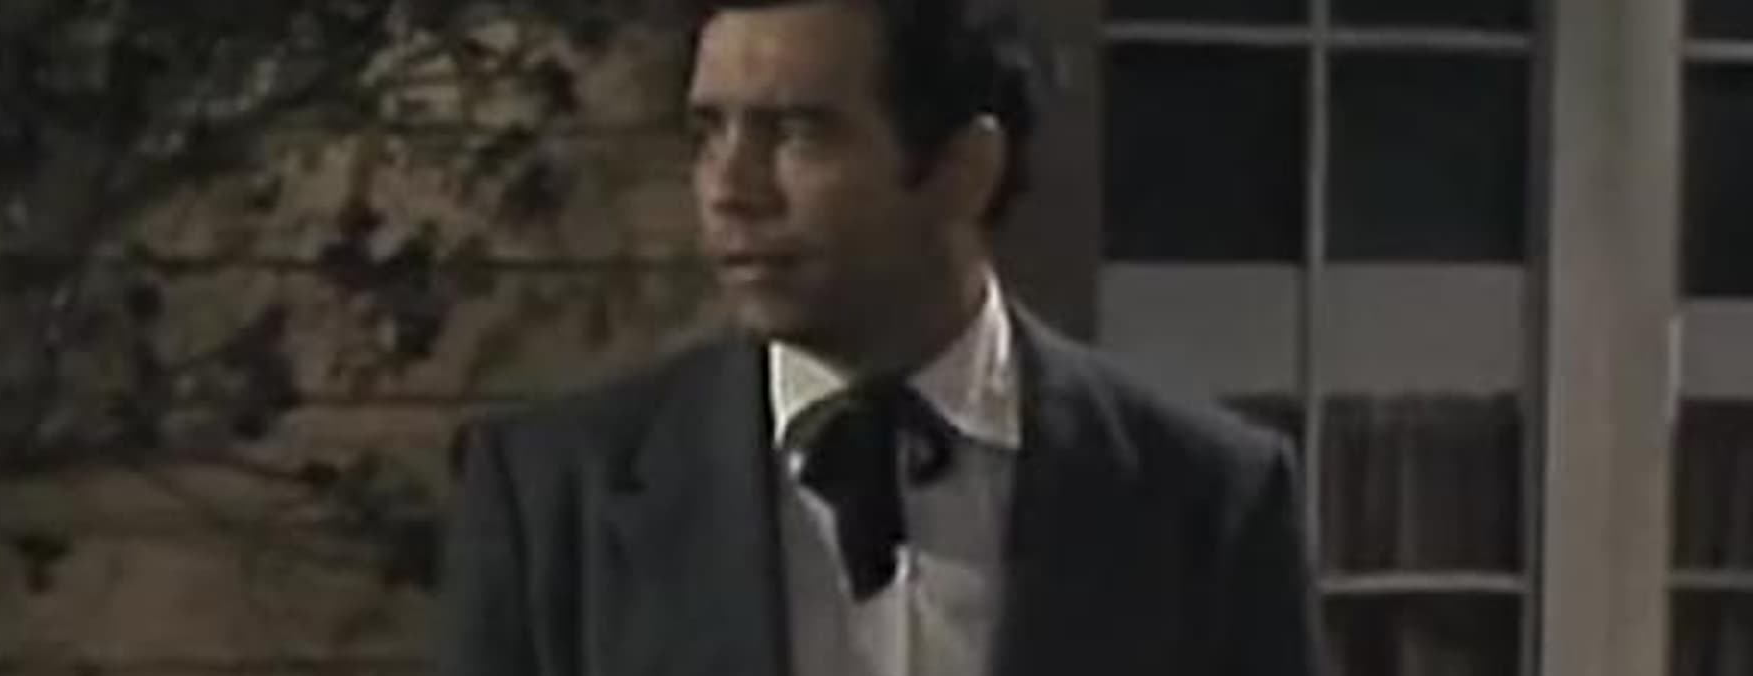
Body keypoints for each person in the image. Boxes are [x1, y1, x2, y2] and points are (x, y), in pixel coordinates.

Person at [436, 0, 1324, 674]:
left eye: (795, 133)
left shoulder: (1206, 497)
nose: (730, 189)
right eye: (708, 132)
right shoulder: (552, 497)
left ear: (964, 171)